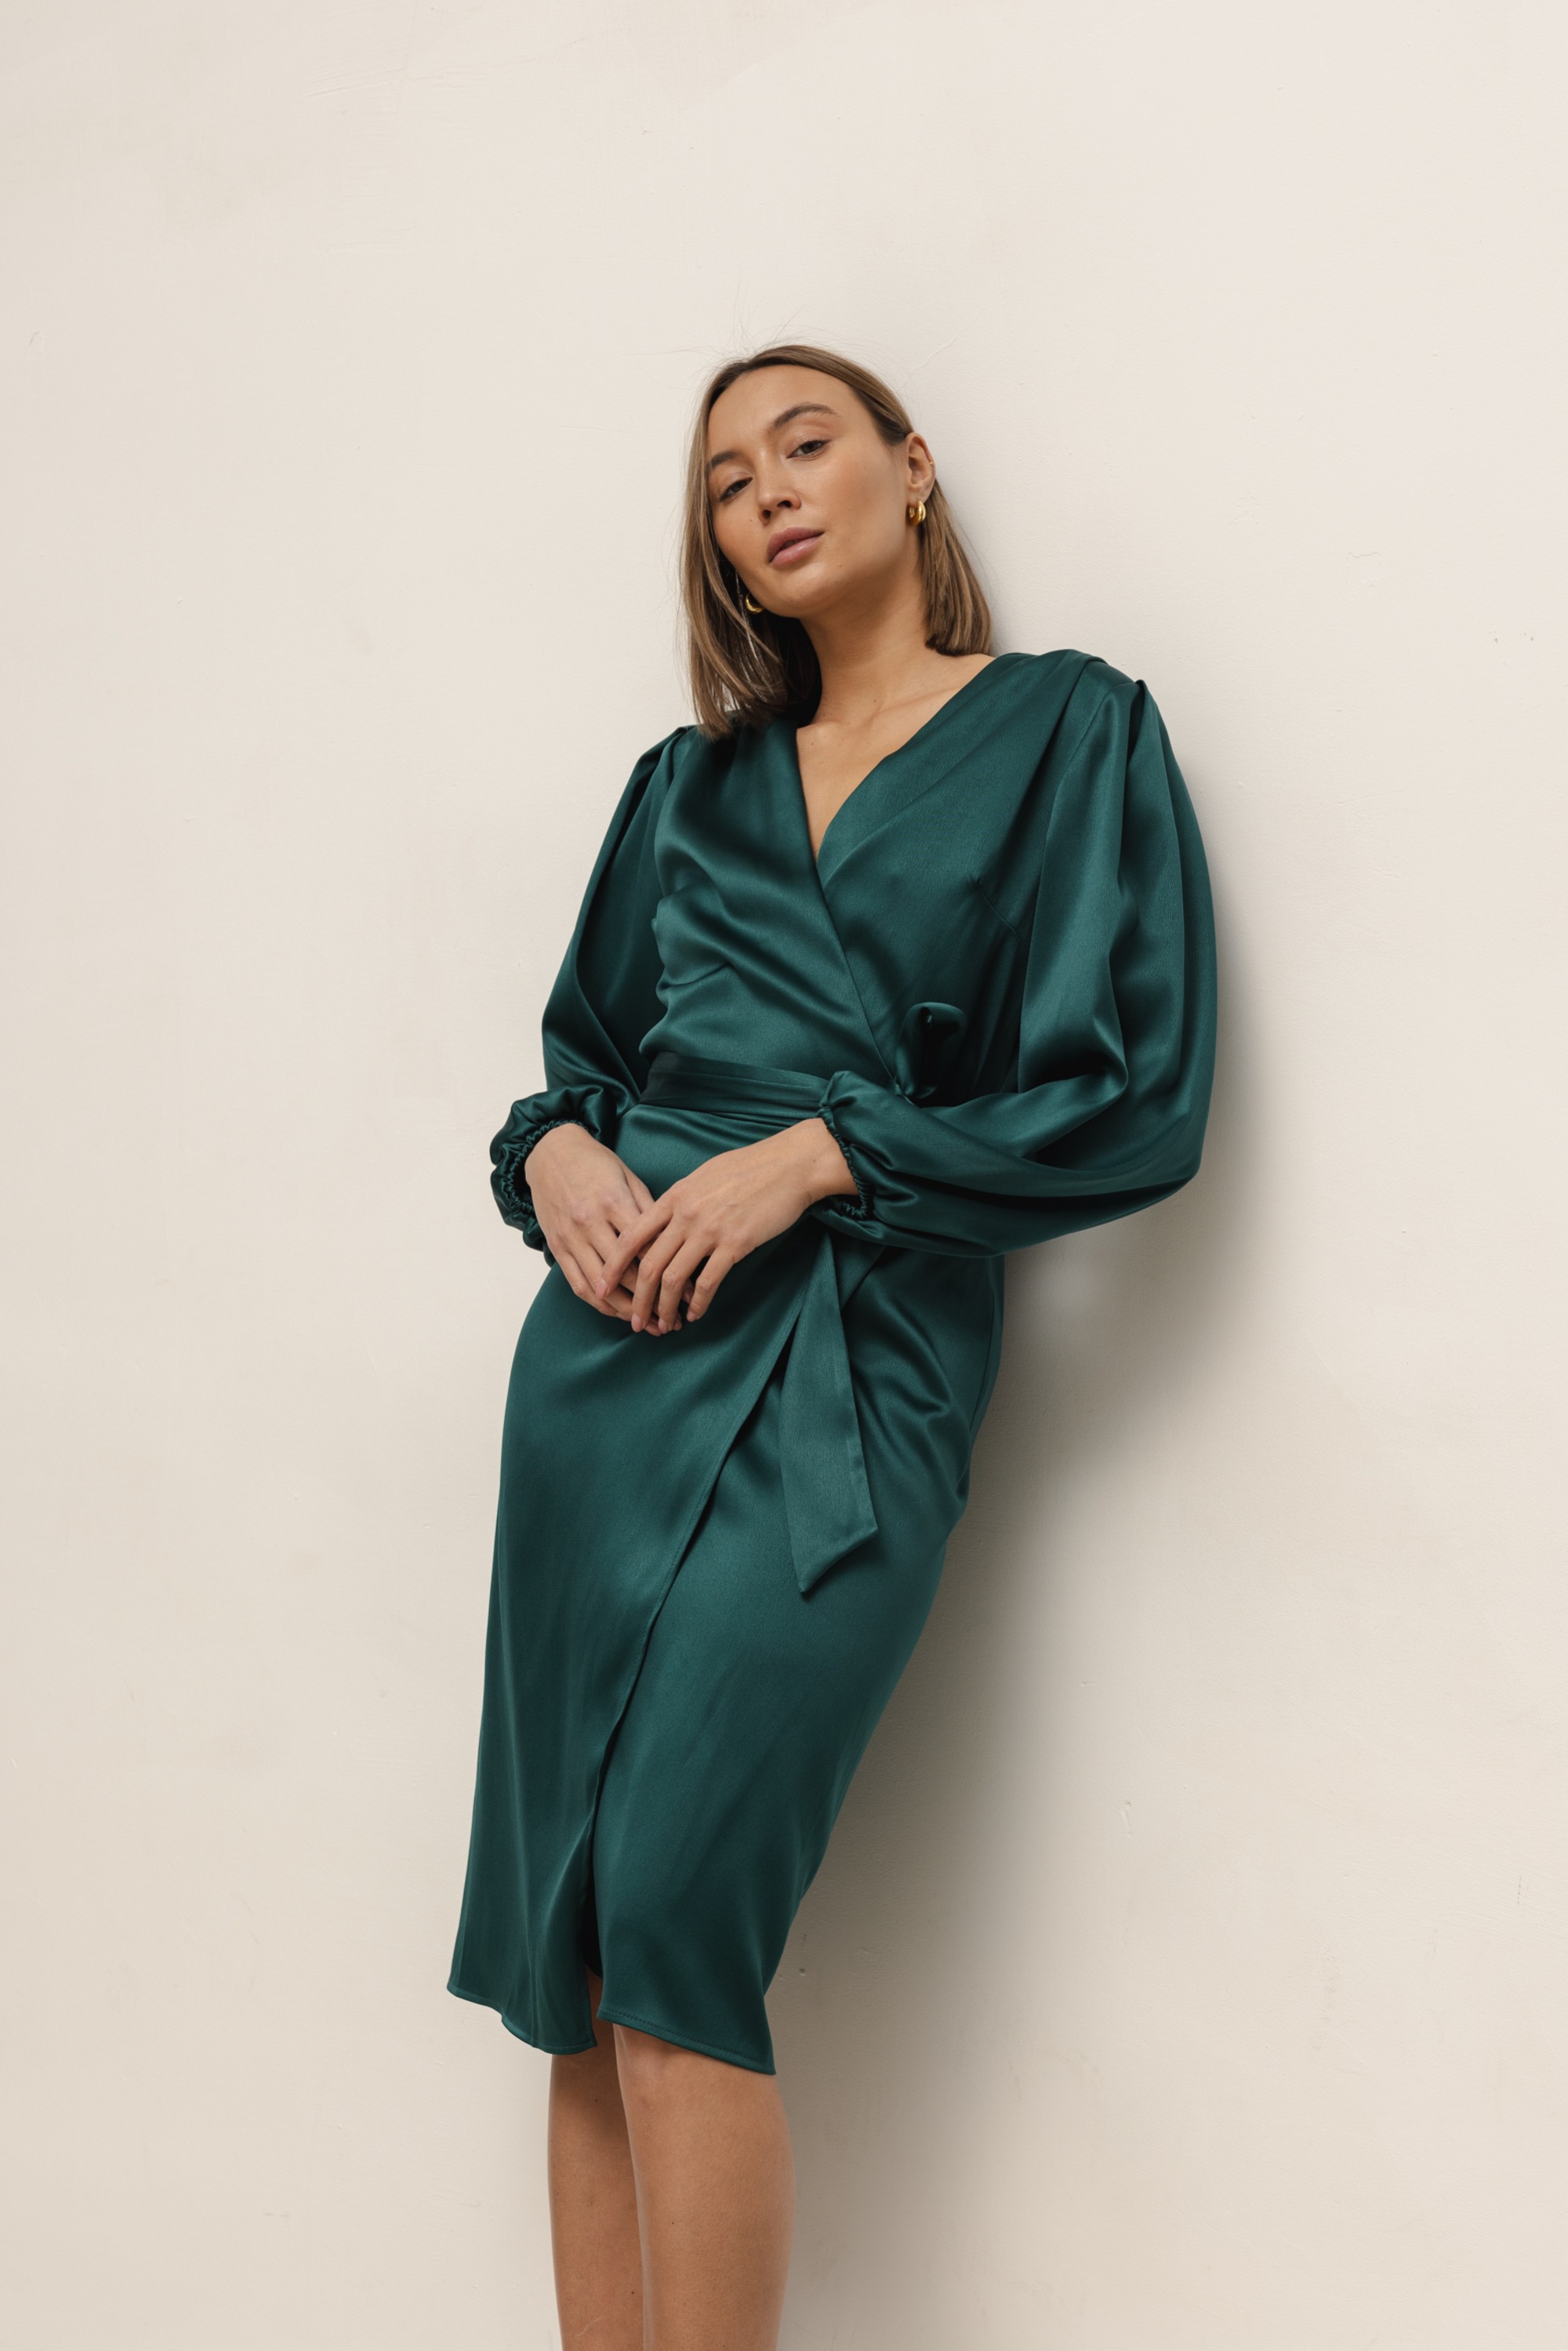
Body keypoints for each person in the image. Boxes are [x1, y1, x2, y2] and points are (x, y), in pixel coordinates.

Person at [448, 341, 1218, 2349]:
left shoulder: (1069, 732)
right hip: (603, 1379)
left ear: (911, 467)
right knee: (580, 1950)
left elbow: (1132, 1103)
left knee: (673, 1922)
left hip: (852, 1378)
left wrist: (820, 1157)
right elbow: (580, 1065)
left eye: (807, 444)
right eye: (727, 480)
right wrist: (551, 1157)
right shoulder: (682, 787)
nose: (771, 490)